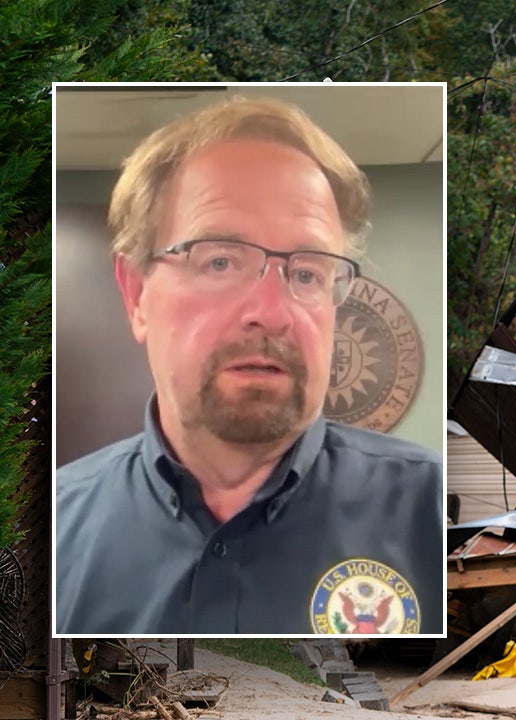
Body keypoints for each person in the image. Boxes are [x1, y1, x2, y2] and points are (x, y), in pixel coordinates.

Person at [55, 96, 443, 635]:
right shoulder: (48, 534)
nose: (271, 312)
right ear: (137, 294)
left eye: (307, 273)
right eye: (219, 261)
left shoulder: (427, 515)